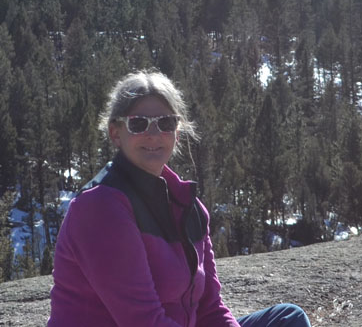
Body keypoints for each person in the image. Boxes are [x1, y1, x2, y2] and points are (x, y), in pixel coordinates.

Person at [48, 69, 311, 327]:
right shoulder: (100, 207)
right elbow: (142, 321)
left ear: (177, 131)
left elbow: (210, 308)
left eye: (166, 123)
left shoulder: (189, 206)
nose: (154, 134)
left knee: (288, 319)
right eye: (138, 123)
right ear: (116, 133)